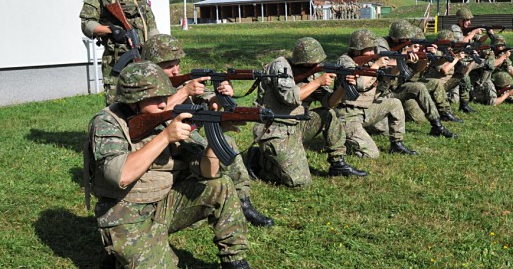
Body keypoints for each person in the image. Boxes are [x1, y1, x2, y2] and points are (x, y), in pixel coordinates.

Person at [84, 61, 277, 269]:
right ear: (132, 100)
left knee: (221, 185)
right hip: (127, 213)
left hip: (164, 205)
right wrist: (165, 137)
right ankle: (116, 261)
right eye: (155, 99)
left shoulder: (168, 118)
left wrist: (214, 133)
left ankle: (235, 265)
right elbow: (120, 175)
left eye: (166, 96)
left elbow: (206, 172)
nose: (165, 104)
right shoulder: (108, 122)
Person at [141, 34, 274, 227]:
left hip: (186, 141)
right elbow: (154, 113)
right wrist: (184, 92)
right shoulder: (143, 88)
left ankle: (243, 201)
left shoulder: (179, 84)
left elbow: (210, 105)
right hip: (160, 146)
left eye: (178, 64)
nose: (176, 70)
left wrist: (222, 95)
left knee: (225, 142)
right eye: (169, 66)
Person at [250, 37, 368, 187]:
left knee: (329, 115)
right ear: (303, 62)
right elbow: (291, 97)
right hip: (273, 129)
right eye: (314, 63)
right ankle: (261, 162)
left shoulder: (311, 73)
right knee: (299, 182)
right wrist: (318, 81)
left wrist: (343, 86)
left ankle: (337, 162)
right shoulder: (280, 66)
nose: (318, 66)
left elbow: (329, 103)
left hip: (297, 125)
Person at [80, 0, 160, 104]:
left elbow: (151, 23)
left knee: (146, 99)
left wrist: (156, 48)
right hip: (116, 61)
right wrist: (112, 30)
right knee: (116, 103)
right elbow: (87, 23)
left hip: (141, 56)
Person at [335, 29, 418, 158]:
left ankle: (397, 144)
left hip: (366, 110)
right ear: (357, 50)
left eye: (374, 49)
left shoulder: (370, 61)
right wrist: (375, 66)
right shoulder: (345, 62)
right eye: (369, 49)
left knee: (394, 103)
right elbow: (359, 84)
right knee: (372, 154)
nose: (373, 52)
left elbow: (388, 79)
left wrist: (402, 63)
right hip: (347, 116)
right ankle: (344, 141)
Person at [380, 21, 455, 138]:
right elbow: (383, 65)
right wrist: (403, 57)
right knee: (416, 120)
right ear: (397, 39)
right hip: (382, 92)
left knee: (419, 87)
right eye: (405, 40)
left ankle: (437, 125)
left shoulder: (406, 47)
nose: (407, 43)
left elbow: (417, 69)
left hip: (398, 87)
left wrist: (424, 56)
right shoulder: (382, 44)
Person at [448, 7, 481, 113]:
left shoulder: (462, 30)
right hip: (451, 58)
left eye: (470, 20)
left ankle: (464, 104)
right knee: (463, 78)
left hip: (461, 57)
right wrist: (472, 33)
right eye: (466, 20)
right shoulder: (455, 28)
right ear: (460, 20)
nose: (469, 22)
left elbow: (475, 43)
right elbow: (460, 43)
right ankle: (463, 104)